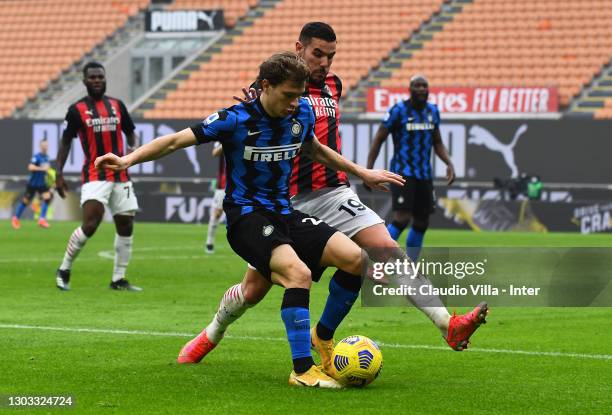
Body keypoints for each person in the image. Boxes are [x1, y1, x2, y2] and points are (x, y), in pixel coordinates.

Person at [177, 22, 488, 373]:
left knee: (384, 249)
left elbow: (321, 147)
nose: (325, 63)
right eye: (318, 54)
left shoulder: (333, 86)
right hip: (285, 203)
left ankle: (445, 324)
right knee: (252, 291)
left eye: (331, 56)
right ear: (299, 48)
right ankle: (213, 331)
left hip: (334, 193)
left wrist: (359, 173)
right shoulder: (270, 89)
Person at [95, 51, 404, 388]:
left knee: (356, 260)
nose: (293, 103)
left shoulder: (301, 111)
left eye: (299, 95)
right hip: (246, 218)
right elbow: (173, 141)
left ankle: (316, 336)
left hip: (284, 213)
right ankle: (302, 371)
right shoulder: (235, 119)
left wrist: (360, 172)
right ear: (265, 86)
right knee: (297, 275)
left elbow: (312, 148)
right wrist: (127, 160)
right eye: (287, 95)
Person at [54, 61, 142, 292]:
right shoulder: (76, 110)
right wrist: (59, 173)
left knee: (126, 224)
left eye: (100, 77)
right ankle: (64, 268)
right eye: (92, 77)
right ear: (84, 81)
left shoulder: (117, 105)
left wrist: (134, 148)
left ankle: (118, 279)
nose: (96, 80)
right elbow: (65, 143)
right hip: (95, 174)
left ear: (105, 79)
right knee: (91, 223)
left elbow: (131, 134)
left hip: (121, 174)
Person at [367, 74, 456, 262]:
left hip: (424, 174)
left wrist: (448, 162)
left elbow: (437, 141)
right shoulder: (398, 110)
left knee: (422, 221)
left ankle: (411, 265)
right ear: (410, 89)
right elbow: (379, 139)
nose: (422, 89)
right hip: (403, 173)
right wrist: (368, 169)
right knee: (402, 217)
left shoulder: (433, 111)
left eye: (425, 85)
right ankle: (377, 260)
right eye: (417, 86)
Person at [11, 139, 53, 229]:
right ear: (40, 146)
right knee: (25, 202)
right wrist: (42, 168)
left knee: (47, 197)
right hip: (33, 184)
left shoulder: (47, 157)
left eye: (47, 145)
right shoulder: (36, 157)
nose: (46, 147)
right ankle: (15, 218)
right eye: (44, 145)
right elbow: (30, 167)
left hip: (42, 183)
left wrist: (50, 180)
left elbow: (47, 170)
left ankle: (42, 219)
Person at [204, 142, 225, 254]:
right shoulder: (222, 137)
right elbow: (215, 153)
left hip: (241, 181)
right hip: (224, 182)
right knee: (217, 213)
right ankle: (209, 242)